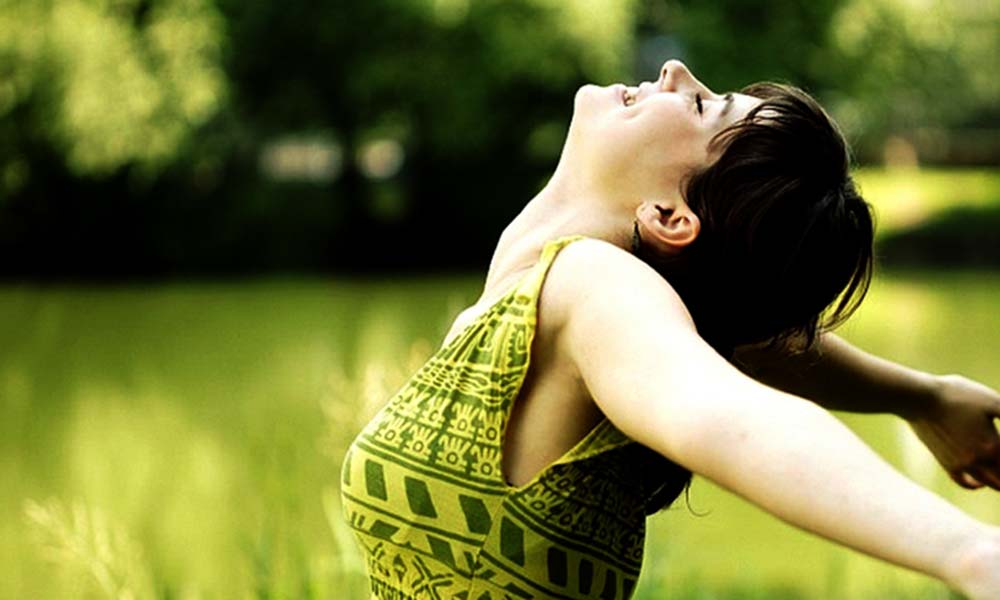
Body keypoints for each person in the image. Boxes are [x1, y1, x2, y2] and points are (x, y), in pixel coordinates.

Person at [340, 59, 1000, 599]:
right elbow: (747, 345)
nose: (675, 70)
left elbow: (722, 413)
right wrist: (923, 397)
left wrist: (971, 553)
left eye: (702, 107)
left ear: (670, 216)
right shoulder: (551, 306)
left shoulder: (592, 287)